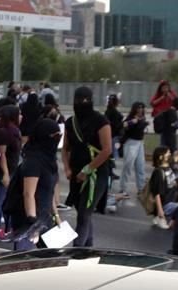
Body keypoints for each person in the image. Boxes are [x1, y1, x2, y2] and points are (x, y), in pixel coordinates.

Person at [62, 86, 112, 247]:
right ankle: (88, 247)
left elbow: (106, 150)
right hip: (76, 173)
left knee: (84, 213)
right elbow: (65, 148)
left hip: (96, 174)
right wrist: (67, 168)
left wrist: (88, 170)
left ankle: (77, 251)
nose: (81, 103)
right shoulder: (71, 122)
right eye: (78, 100)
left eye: (84, 100)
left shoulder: (101, 121)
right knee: (83, 212)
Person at [10, 117, 61, 251]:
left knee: (51, 259)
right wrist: (33, 227)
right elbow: (28, 194)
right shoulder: (33, 162)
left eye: (59, 136)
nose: (58, 139)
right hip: (29, 220)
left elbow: (49, 192)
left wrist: (56, 216)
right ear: (44, 137)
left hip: (45, 218)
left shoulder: (50, 160)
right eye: (55, 136)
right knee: (24, 262)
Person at [0, 103, 22, 242]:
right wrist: (6, 174)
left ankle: (7, 228)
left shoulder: (12, 129)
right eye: (18, 114)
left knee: (8, 200)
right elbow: (1, 154)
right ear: (13, 116)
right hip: (4, 171)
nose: (21, 116)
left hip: (12, 169)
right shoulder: (3, 131)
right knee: (1, 200)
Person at [119, 102, 148, 198]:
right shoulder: (131, 118)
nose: (140, 110)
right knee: (128, 166)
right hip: (131, 143)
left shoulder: (143, 119)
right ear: (135, 109)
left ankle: (141, 188)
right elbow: (124, 125)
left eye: (142, 108)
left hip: (139, 143)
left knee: (140, 166)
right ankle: (123, 189)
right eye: (138, 108)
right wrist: (132, 122)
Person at [145, 146, 178, 230]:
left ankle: (161, 217)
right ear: (161, 157)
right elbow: (157, 193)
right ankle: (160, 217)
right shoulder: (158, 172)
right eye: (168, 153)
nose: (170, 154)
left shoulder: (168, 167)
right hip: (166, 204)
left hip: (172, 200)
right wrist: (160, 211)